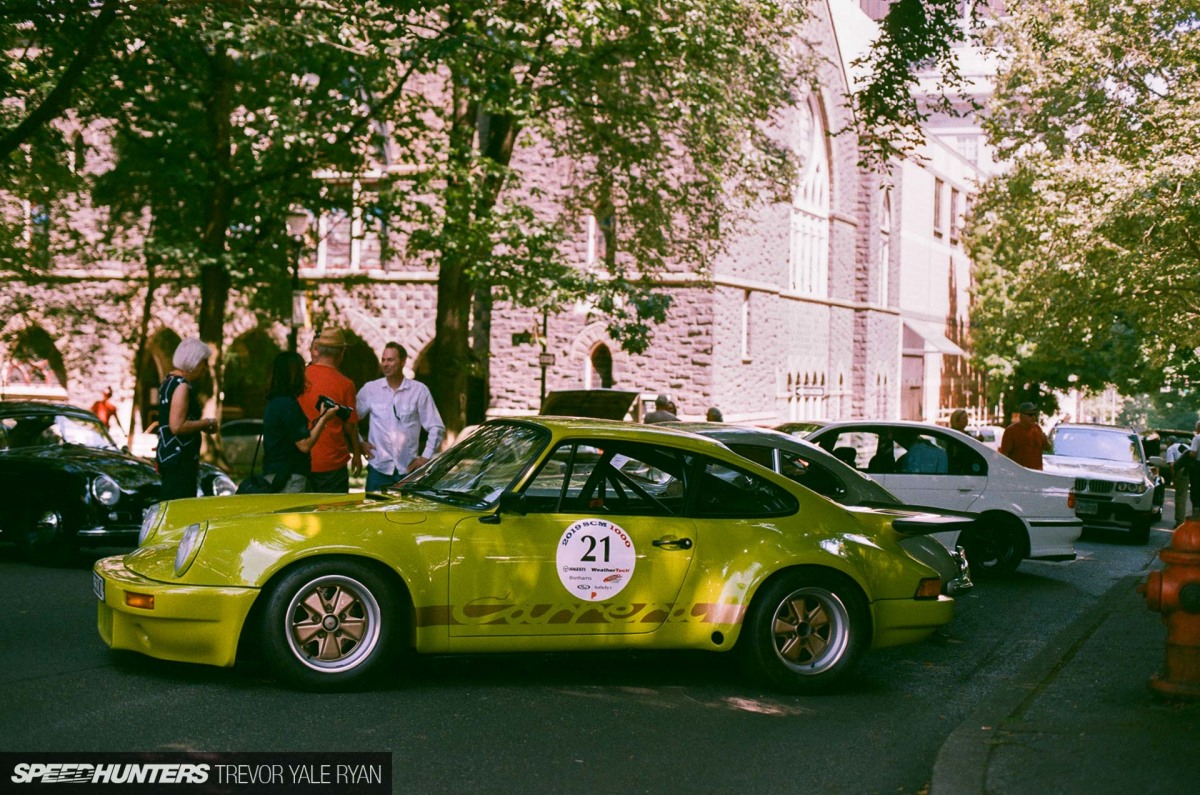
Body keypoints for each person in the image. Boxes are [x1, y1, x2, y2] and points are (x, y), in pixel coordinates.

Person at [356, 342, 445, 493]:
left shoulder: (419, 391)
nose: (385, 364)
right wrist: (359, 443)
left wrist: (425, 457)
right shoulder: (370, 389)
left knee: (406, 516)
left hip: (408, 471)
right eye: (383, 360)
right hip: (378, 469)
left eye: (390, 360)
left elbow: (436, 426)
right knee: (373, 514)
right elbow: (350, 419)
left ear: (403, 361)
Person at [299, 327, 363, 492]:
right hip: (333, 466)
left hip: (301, 461)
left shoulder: (300, 378)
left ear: (318, 349)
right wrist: (357, 454)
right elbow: (350, 426)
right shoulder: (345, 384)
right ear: (341, 352)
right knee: (333, 516)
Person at [262, 352, 337, 492]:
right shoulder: (288, 405)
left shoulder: (273, 402)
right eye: (302, 370)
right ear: (294, 374)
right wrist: (324, 419)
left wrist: (320, 419)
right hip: (288, 479)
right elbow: (304, 444)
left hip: (274, 474)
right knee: (293, 514)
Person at [155, 337, 218, 500]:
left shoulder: (168, 382)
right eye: (203, 362)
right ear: (194, 361)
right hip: (180, 460)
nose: (205, 368)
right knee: (180, 504)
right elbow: (177, 426)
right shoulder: (181, 386)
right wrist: (206, 423)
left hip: (169, 456)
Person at [999, 401, 1051, 470]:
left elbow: (1048, 448)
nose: (1033, 417)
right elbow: (1004, 455)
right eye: (1030, 415)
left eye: (1034, 414)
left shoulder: (1037, 428)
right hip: (1019, 473)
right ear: (1021, 416)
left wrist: (1046, 440)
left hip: (1037, 473)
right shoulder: (1011, 431)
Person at [1165, 435, 1190, 525]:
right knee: (1183, 496)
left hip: (1181, 472)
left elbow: (1172, 465)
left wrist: (1174, 480)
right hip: (1190, 472)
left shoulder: (1170, 449)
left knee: (1179, 498)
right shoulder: (1187, 446)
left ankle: (1180, 521)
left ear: (1169, 442)